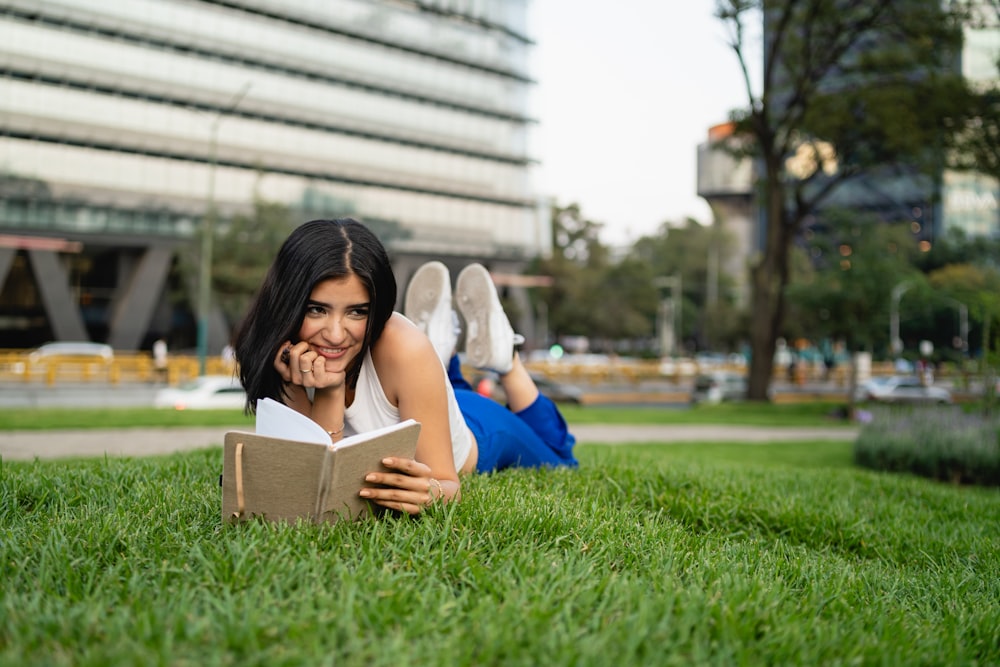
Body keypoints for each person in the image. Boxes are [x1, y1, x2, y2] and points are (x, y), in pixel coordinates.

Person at [232, 218, 577, 516]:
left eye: (357, 312)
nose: (335, 335)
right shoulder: (283, 356)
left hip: (479, 434)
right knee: (430, 375)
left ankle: (506, 359)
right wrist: (330, 391)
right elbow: (317, 483)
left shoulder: (402, 348)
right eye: (316, 309)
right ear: (287, 302)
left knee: (560, 459)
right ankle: (440, 355)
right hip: (417, 394)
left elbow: (447, 483)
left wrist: (432, 494)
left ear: (377, 309)